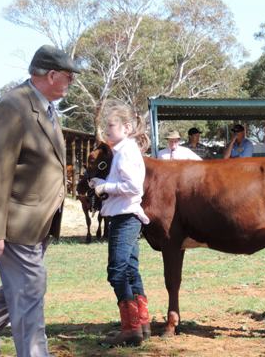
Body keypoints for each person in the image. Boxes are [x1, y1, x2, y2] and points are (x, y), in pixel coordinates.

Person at [0, 45, 79, 357]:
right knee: (29, 289)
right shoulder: (13, 107)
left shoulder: (46, 109)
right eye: (69, 77)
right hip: (16, 224)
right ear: (51, 75)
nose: (71, 83)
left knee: (18, 287)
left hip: (38, 223)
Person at [88, 100, 152, 347]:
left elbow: (133, 186)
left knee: (117, 272)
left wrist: (106, 187)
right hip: (127, 216)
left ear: (126, 127)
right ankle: (141, 324)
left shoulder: (125, 151)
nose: (107, 130)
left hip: (125, 217)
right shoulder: (123, 150)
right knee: (130, 270)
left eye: (111, 125)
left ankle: (131, 328)